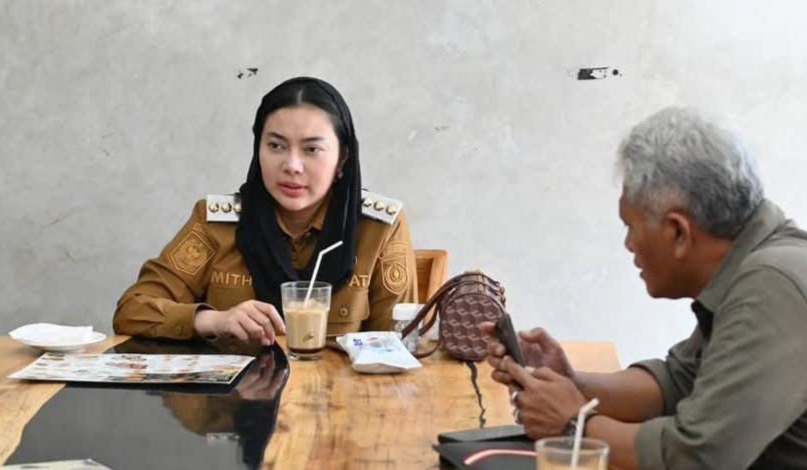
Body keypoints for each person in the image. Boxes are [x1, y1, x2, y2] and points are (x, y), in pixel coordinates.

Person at [483, 107, 807, 469]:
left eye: (631, 227)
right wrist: (569, 383)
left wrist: (573, 425)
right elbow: (679, 382)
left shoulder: (772, 286)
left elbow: (697, 458)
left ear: (678, 232)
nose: (628, 245)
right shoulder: (753, 265)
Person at [114, 77, 418, 345]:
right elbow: (133, 310)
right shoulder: (216, 224)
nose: (292, 166)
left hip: (337, 392)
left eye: (312, 149)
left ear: (342, 160)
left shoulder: (378, 229)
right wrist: (213, 320)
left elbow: (400, 344)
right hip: (236, 393)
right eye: (276, 146)